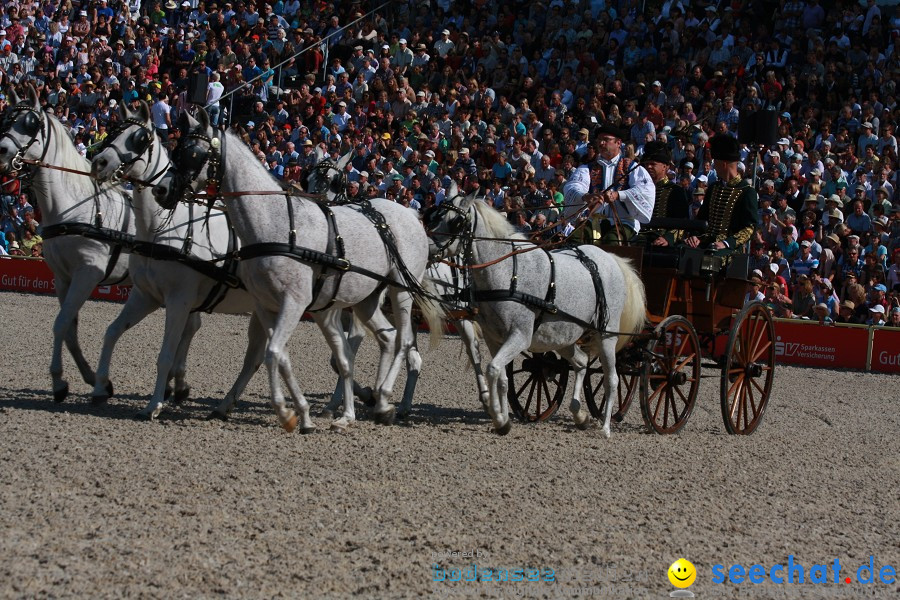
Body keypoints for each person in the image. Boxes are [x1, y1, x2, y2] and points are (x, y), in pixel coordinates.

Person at [565, 123, 654, 246]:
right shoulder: (588, 168)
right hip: (595, 221)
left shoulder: (633, 168)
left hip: (624, 222)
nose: (601, 143)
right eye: (599, 140)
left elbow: (645, 190)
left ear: (618, 143)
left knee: (612, 241)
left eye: (606, 140)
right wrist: (586, 196)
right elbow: (574, 186)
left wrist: (619, 195)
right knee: (574, 239)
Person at [682, 135, 757, 255]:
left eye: (715, 162)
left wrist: (727, 243)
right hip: (707, 242)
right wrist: (695, 237)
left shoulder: (747, 191)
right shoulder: (714, 188)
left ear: (724, 164)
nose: (713, 166)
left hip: (728, 249)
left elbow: (749, 228)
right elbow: (702, 219)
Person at [634, 141, 690, 247]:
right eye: (646, 164)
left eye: (653, 164)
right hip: (638, 238)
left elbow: (682, 223)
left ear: (665, 166)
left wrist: (668, 238)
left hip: (661, 241)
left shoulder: (676, 191)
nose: (648, 167)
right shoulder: (638, 188)